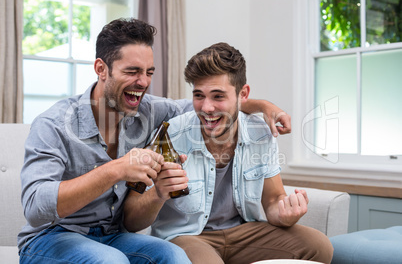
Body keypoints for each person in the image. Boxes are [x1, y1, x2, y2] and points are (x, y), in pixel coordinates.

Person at [18, 18, 291, 263]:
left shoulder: (148, 110)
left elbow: (206, 105)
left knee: (174, 255)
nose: (143, 82)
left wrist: (262, 105)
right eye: (132, 71)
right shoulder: (53, 125)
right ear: (101, 69)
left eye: (149, 72)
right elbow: (35, 207)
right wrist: (115, 169)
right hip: (53, 237)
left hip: (114, 235)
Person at [124, 42, 334, 264]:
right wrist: (158, 193)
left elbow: (273, 200)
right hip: (187, 237)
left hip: (243, 233)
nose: (206, 108)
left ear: (243, 94)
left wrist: (284, 214)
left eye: (218, 96)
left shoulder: (261, 133)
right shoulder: (171, 134)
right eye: (199, 95)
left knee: (318, 247)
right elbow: (131, 218)